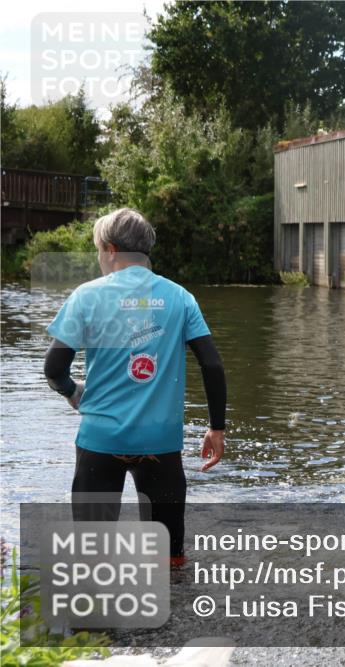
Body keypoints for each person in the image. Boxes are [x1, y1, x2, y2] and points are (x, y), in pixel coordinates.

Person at [43, 208, 226, 567]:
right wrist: (216, 428)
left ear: (111, 250)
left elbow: (53, 369)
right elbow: (212, 365)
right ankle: (174, 599)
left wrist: (72, 392)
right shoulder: (180, 297)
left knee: (91, 558)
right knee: (170, 559)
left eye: (98, 250)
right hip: (160, 443)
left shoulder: (86, 296)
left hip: (100, 442)